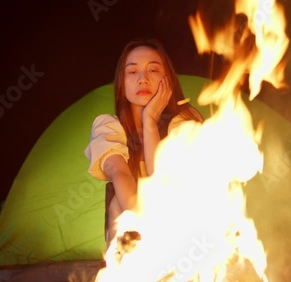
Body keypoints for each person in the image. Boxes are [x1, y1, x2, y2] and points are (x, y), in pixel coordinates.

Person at [84, 38, 204, 244]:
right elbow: (118, 171)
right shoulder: (109, 126)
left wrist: (150, 121)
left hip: (182, 222)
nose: (142, 79)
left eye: (153, 70)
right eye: (132, 72)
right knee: (117, 204)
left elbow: (163, 179)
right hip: (136, 231)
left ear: (168, 79)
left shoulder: (185, 120)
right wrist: (145, 228)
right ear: (121, 82)